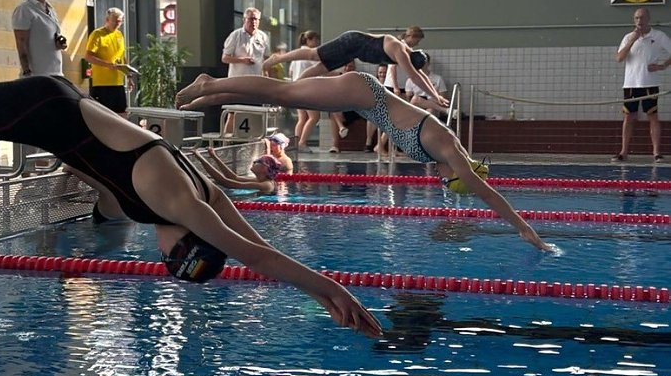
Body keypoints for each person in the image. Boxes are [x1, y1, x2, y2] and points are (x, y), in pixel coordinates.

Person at [0, 55, 382, 339]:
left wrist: (322, 287)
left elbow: (253, 243)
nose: (158, 258)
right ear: (177, 252)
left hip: (58, 107)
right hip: (43, 113)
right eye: (168, 262)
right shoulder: (174, 205)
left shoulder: (198, 192)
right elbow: (255, 256)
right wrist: (326, 290)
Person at [177, 72, 554, 252]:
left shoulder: (443, 153)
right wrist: (523, 228)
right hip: (363, 91)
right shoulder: (448, 148)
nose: (442, 181)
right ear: (455, 173)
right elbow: (485, 192)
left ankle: (210, 94)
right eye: (449, 180)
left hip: (364, 99)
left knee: (287, 94)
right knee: (285, 92)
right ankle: (210, 85)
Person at [261, 29, 447, 107]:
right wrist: (434, 95)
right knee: (313, 54)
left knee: (321, 68)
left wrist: (435, 95)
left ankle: (293, 86)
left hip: (353, 52)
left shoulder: (409, 56)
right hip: (351, 42)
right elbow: (415, 77)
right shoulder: (400, 50)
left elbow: (419, 75)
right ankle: (278, 58)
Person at [614, 7, 671, 162]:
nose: (639, 21)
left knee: (652, 116)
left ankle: (656, 153)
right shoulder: (628, 37)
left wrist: (663, 66)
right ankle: (623, 152)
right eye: (637, 18)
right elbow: (619, 58)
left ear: (648, 19)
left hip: (649, 83)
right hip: (631, 84)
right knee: (628, 117)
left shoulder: (658, 36)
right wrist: (632, 40)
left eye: (642, 18)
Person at [221, 7, 270, 135]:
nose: (253, 22)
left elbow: (267, 60)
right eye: (251, 19)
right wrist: (242, 60)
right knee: (233, 113)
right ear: (244, 19)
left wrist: (268, 79)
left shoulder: (263, 37)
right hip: (237, 83)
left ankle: (253, 144)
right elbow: (225, 58)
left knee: (256, 113)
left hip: (256, 84)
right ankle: (227, 143)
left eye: (256, 19)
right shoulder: (236, 35)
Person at [12, 0, 66, 77]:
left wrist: (59, 43)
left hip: (56, 72)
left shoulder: (51, 10)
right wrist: (26, 71)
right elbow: (21, 43)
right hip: (37, 75)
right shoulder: (25, 9)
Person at [85, 7, 133, 118]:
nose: (117, 24)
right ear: (107, 20)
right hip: (102, 84)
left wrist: (129, 76)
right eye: (115, 21)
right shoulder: (97, 34)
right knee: (104, 116)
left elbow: (122, 57)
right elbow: (88, 56)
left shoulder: (119, 35)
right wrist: (107, 65)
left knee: (122, 114)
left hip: (118, 83)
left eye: (120, 21)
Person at [191, 148, 280, 194]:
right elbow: (233, 177)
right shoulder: (261, 180)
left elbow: (227, 183)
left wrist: (200, 157)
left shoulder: (266, 185)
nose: (254, 162)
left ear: (265, 168)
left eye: (258, 162)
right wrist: (214, 156)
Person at [288, 31, 322, 153]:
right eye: (316, 40)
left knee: (302, 118)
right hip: (307, 89)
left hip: (295, 88)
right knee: (314, 117)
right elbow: (320, 70)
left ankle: (297, 144)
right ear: (309, 40)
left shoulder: (296, 56)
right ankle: (302, 142)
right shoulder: (309, 54)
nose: (318, 43)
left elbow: (291, 73)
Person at [385, 26, 425, 96]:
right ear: (411, 37)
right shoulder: (399, 46)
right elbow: (392, 67)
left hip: (404, 85)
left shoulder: (410, 49)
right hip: (392, 85)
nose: (417, 43)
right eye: (417, 41)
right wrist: (395, 87)